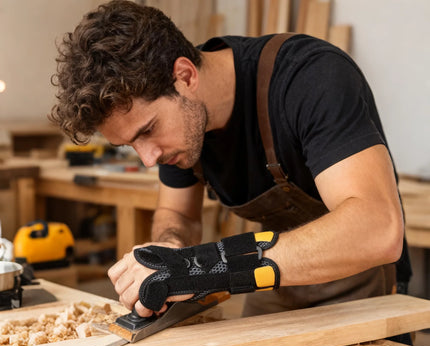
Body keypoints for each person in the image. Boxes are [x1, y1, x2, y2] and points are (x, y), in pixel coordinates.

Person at [50, 0, 411, 321]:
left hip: (363, 290)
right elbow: (177, 214)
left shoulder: (309, 78)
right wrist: (170, 250)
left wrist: (207, 266)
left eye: (147, 131)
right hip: (277, 288)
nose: (149, 158)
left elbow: (377, 228)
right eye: (131, 145)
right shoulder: (177, 126)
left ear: (185, 76)